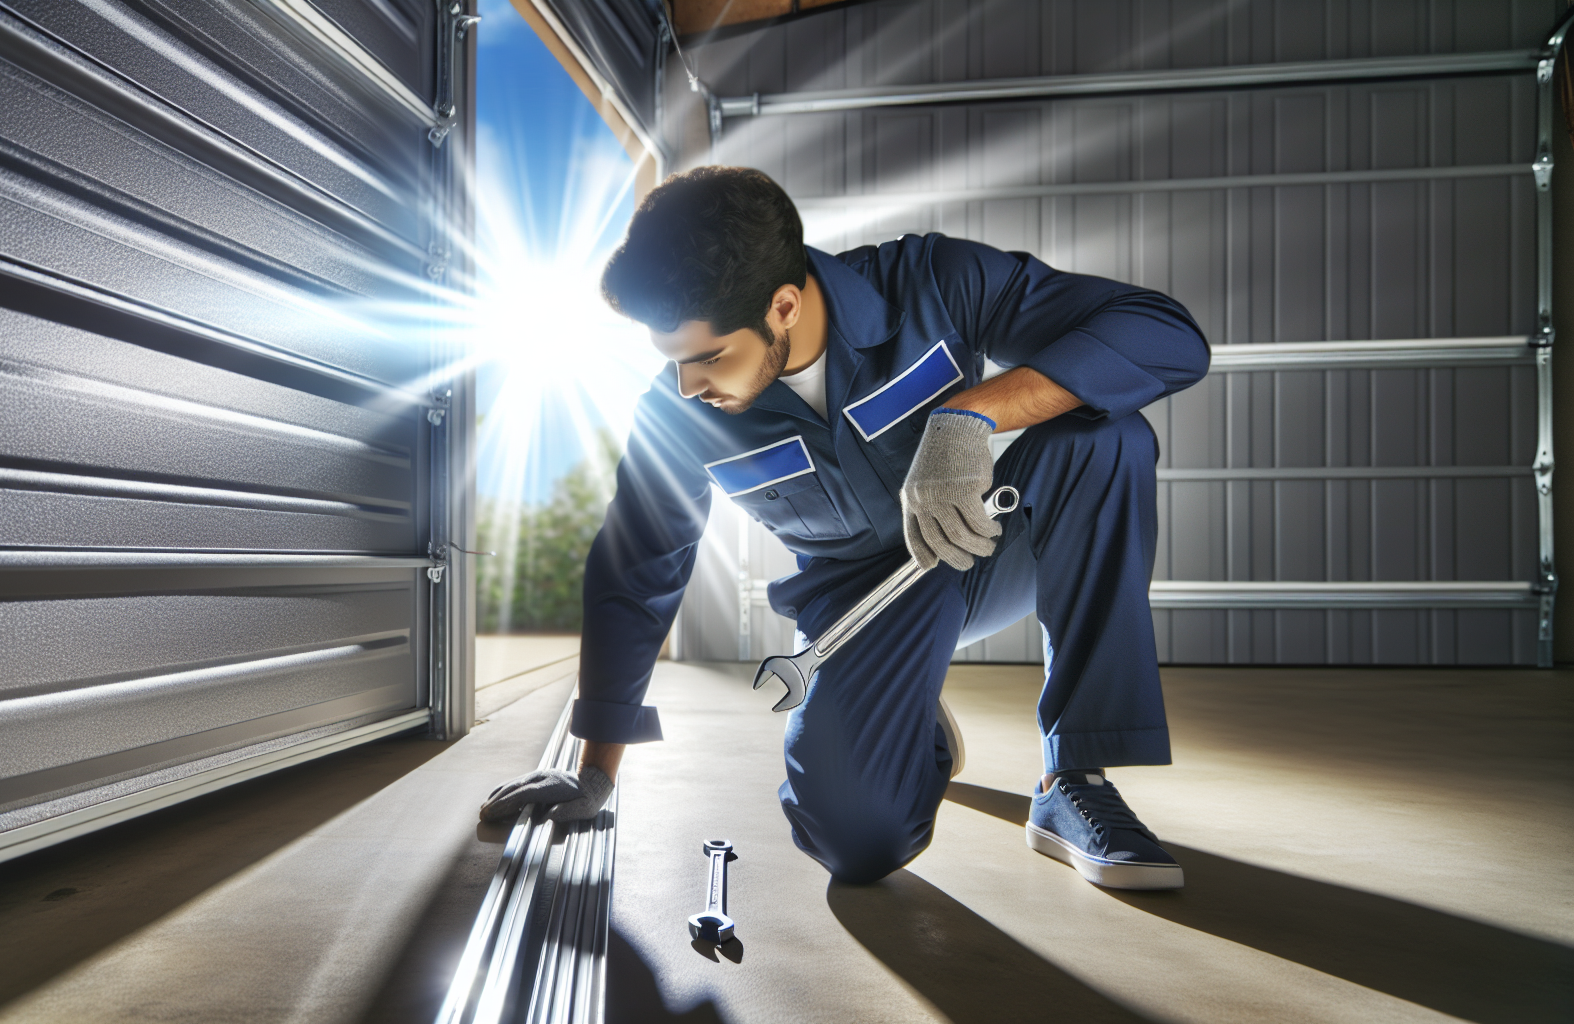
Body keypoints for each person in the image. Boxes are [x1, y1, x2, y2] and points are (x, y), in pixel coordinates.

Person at [479, 166, 1209, 890]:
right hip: (859, 609)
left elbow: (1165, 334)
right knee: (854, 844)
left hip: (986, 538)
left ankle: (1072, 777)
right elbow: (636, 574)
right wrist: (594, 772)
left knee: (1105, 438)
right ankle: (905, 716)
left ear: (784, 305)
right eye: (673, 361)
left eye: (706, 357)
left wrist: (973, 414)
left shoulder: (932, 283)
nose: (688, 387)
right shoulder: (676, 417)